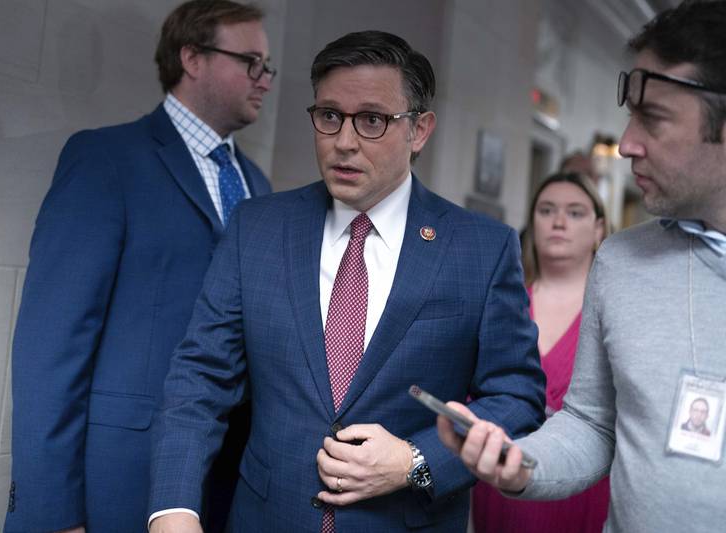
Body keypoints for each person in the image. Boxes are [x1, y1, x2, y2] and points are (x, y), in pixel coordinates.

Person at [148, 30, 545, 533]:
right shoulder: (258, 229)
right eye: (330, 116)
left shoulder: (481, 250)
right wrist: (173, 509)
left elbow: (517, 399)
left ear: (419, 130)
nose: (344, 141)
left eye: (373, 120)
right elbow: (200, 379)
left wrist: (415, 460)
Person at [438, 1, 726, 532]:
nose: (626, 144)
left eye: (654, 118)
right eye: (630, 113)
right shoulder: (621, 261)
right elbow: (592, 423)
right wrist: (522, 464)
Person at [5, 2, 274, 532]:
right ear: (192, 57)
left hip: (222, 488)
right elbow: (51, 345)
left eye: (267, 66)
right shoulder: (105, 160)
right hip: (115, 481)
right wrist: (52, 512)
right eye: (250, 61)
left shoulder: (257, 185)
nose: (263, 79)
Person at [472, 172, 610, 533]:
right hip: (500, 489)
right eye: (547, 210)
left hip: (579, 495)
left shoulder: (612, 316)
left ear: (599, 229)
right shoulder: (499, 303)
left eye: (575, 212)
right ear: (533, 222)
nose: (559, 222)